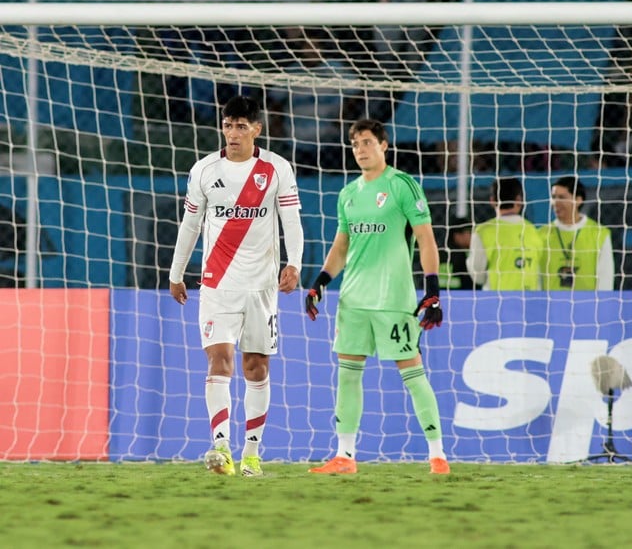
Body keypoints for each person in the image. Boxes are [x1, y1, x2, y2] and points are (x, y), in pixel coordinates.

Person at [168, 95, 304, 477]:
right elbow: (190, 226)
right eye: (228, 125)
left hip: (262, 286)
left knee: (256, 365)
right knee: (220, 359)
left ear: (257, 129)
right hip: (217, 284)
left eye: (241, 126)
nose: (233, 133)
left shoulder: (276, 169)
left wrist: (294, 263)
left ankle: (253, 454)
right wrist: (176, 273)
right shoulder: (204, 170)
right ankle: (221, 446)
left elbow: (291, 221)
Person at [304, 118, 449, 475]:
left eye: (367, 142)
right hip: (353, 299)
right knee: (348, 374)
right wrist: (320, 282)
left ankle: (437, 455)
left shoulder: (402, 186)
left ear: (384, 145)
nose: (360, 149)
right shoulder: (348, 194)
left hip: (393, 299)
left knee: (412, 373)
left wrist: (432, 290)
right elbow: (341, 247)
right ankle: (344, 456)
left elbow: (426, 240)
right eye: (355, 144)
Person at [466, 177, 544, 291]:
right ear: (519, 200)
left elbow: (478, 276)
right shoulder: (534, 231)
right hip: (529, 301)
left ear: (492, 200)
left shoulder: (483, 231)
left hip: (495, 301)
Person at [539, 176, 614, 291]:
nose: (555, 202)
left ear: (578, 200)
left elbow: (606, 278)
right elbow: (536, 277)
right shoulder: (541, 235)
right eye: (553, 197)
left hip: (587, 306)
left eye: (562, 197)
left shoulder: (599, 234)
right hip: (552, 306)